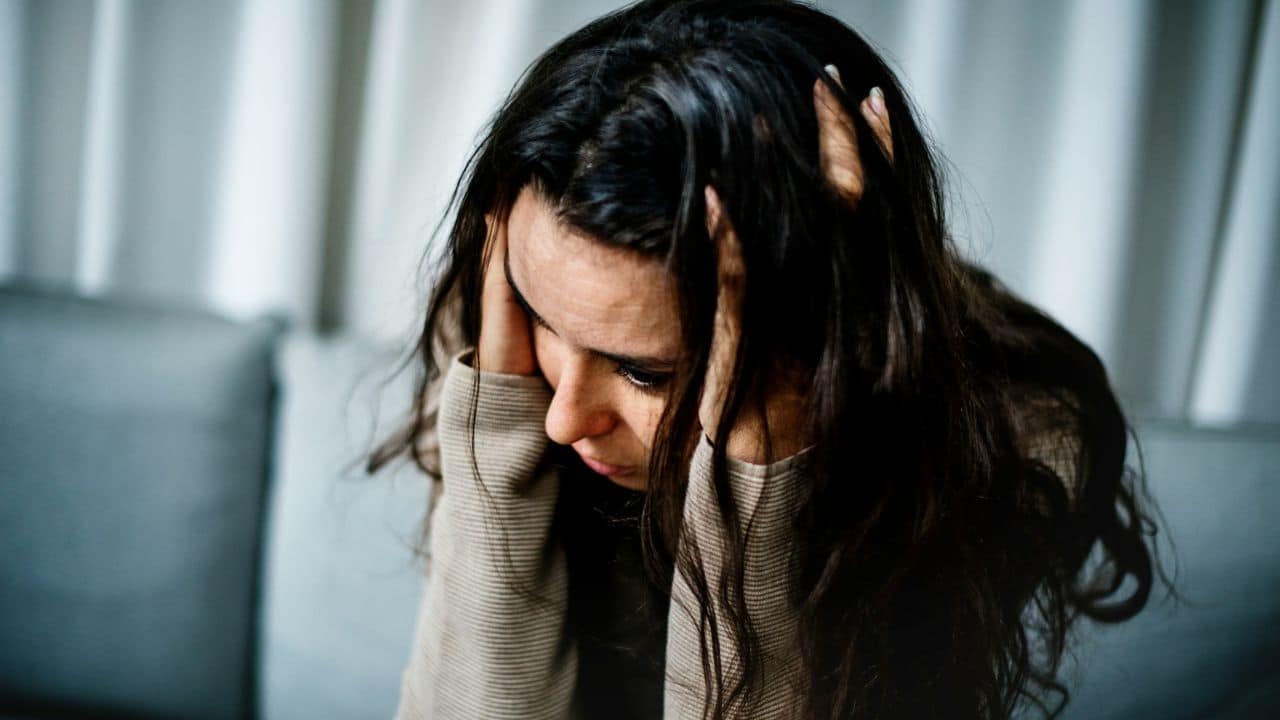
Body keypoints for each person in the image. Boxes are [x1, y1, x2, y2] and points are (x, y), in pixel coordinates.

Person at [367, 1, 1169, 718]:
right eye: (542, 317)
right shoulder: (509, 364)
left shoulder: (1016, 435)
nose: (561, 416)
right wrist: (493, 460)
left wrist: (759, 474)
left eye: (647, 372)